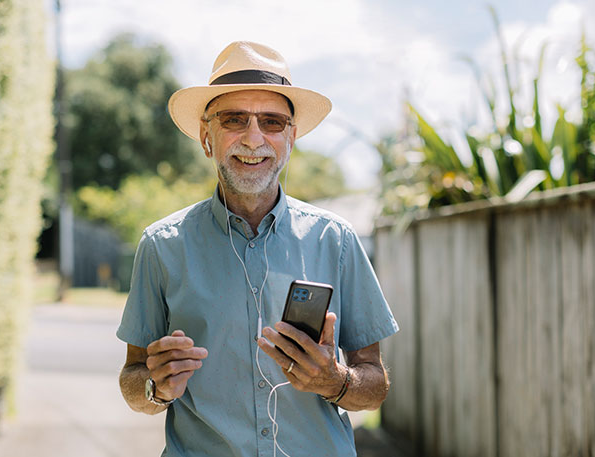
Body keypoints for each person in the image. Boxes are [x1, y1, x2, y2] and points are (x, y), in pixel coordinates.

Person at [117, 41, 398, 457]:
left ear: (291, 137)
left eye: (272, 122)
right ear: (205, 135)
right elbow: (132, 380)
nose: (254, 138)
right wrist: (155, 388)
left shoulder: (335, 240)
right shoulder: (162, 246)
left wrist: (336, 381)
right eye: (234, 119)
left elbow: (374, 387)